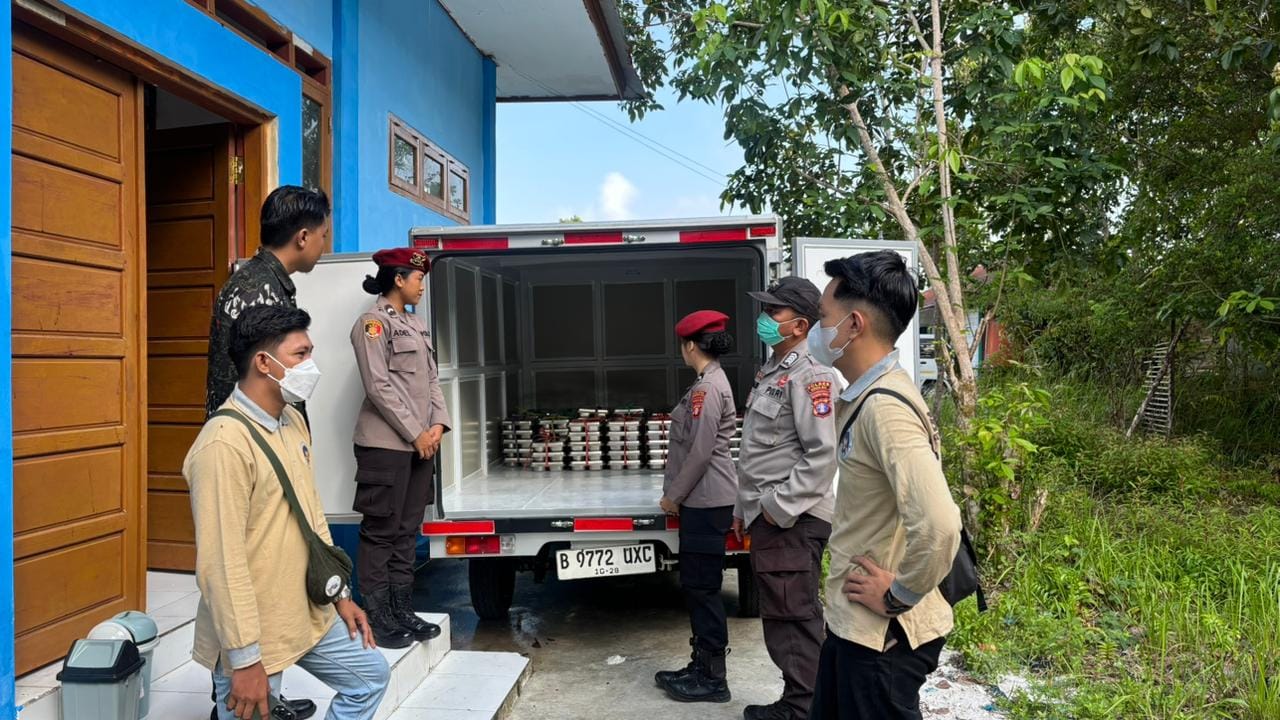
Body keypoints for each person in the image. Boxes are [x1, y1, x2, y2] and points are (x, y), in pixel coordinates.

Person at [186, 305, 389, 720]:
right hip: (253, 632)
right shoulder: (223, 445)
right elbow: (220, 565)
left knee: (370, 678)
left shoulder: (292, 421)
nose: (311, 365)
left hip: (304, 610)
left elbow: (312, 515)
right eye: (300, 354)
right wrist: (244, 659)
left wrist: (339, 594)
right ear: (264, 363)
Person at [807, 251, 962, 720]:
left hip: (881, 637)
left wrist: (900, 595)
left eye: (823, 318)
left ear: (853, 325)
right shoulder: (868, 397)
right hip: (856, 626)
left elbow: (939, 524)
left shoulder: (885, 409)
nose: (816, 330)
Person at [734, 277, 839, 720]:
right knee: (782, 614)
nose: (764, 318)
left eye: (773, 312)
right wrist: (744, 509)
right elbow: (758, 452)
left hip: (793, 518)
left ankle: (803, 709)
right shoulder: (773, 371)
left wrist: (776, 509)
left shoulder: (811, 376)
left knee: (793, 618)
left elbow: (822, 455)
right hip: (772, 516)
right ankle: (804, 701)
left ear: (799, 326)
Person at [349, 248, 450, 649]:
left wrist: (438, 424)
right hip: (386, 446)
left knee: (408, 531)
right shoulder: (373, 324)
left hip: (420, 446)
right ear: (398, 279)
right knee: (381, 531)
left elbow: (432, 381)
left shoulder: (416, 325)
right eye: (418, 278)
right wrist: (415, 434)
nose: (422, 286)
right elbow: (378, 386)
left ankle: (401, 610)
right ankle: (378, 618)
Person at [655, 310, 739, 704]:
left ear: (690, 345)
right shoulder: (708, 382)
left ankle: (713, 679)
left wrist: (674, 495)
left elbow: (701, 451)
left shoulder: (708, 388)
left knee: (703, 590)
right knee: (696, 586)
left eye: (683, 345)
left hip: (706, 500)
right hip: (704, 499)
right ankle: (701, 665)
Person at [206, 185, 331, 419]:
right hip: (251, 433)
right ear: (303, 237)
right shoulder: (256, 290)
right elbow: (252, 383)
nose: (324, 245)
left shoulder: (266, 281)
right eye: (323, 236)